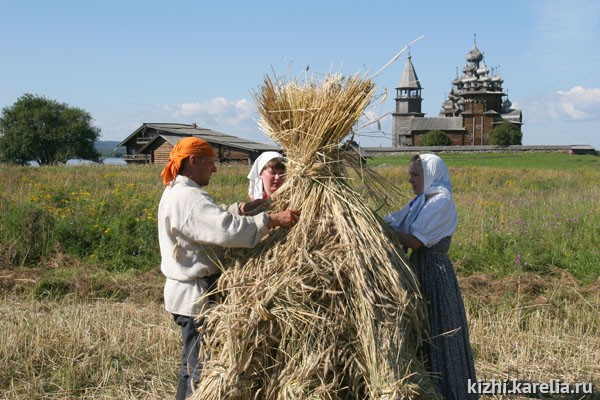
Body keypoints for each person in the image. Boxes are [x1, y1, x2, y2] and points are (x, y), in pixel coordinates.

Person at [158, 137, 299, 400]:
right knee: (201, 369)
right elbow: (225, 230)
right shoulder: (188, 198)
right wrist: (271, 220)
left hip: (188, 294)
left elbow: (212, 217)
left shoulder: (179, 192)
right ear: (194, 161)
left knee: (189, 367)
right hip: (195, 298)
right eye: (210, 163)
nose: (214, 169)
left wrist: (241, 209)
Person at [385, 154, 478, 400]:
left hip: (434, 275)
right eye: (410, 174)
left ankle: (450, 391)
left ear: (431, 174)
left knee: (439, 328)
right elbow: (395, 221)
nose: (410, 180)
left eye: (416, 175)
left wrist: (384, 231)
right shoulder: (421, 202)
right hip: (417, 270)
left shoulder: (441, 203)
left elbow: (415, 241)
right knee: (421, 329)